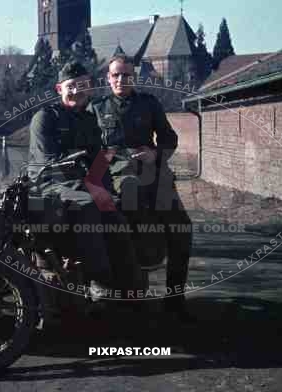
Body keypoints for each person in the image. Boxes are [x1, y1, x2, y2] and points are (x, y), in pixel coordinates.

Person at [88, 54, 193, 320]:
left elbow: (170, 137)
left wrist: (155, 154)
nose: (121, 80)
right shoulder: (97, 108)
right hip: (117, 178)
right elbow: (88, 149)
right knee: (127, 229)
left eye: (126, 75)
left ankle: (175, 299)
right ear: (108, 78)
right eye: (116, 75)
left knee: (181, 229)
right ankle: (129, 294)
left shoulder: (149, 103)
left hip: (154, 175)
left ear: (133, 77)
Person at [27, 60, 142, 300]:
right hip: (48, 185)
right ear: (60, 89)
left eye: (83, 85)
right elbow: (51, 165)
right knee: (89, 204)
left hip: (81, 186)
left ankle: (130, 286)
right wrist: (92, 190)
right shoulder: (45, 118)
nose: (77, 91)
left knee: (115, 213)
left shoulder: (89, 121)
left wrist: (109, 192)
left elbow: (98, 163)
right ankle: (98, 280)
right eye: (71, 86)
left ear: (90, 88)